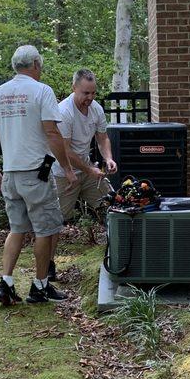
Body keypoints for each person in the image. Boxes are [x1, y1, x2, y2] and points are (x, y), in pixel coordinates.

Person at [0, 45, 77, 305]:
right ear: (36, 64)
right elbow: (52, 133)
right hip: (38, 172)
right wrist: (68, 168)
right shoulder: (42, 91)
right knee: (44, 230)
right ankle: (40, 286)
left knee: (16, 229)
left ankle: (6, 282)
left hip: (11, 173)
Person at [49, 68, 117, 280]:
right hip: (62, 172)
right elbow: (66, 151)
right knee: (55, 221)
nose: (90, 98)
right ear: (74, 88)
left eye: (93, 93)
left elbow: (103, 138)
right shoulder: (64, 112)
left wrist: (108, 158)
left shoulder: (96, 109)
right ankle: (47, 267)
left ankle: (118, 253)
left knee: (112, 205)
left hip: (87, 170)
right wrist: (89, 169)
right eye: (85, 93)